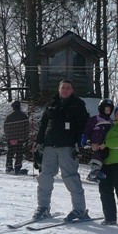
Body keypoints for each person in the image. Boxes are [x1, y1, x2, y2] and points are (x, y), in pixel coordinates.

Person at [32, 79, 90, 222]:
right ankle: (43, 207)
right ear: (59, 89)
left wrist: (79, 144)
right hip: (49, 146)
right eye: (63, 87)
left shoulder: (78, 104)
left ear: (72, 90)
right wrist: (39, 142)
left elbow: (83, 126)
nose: (65, 90)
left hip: (68, 147)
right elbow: (43, 124)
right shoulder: (52, 104)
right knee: (45, 177)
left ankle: (79, 209)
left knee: (70, 177)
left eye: (68, 88)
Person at [91, 102, 118, 227]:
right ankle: (110, 218)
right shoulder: (111, 126)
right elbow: (101, 138)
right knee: (105, 190)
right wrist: (95, 145)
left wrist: (106, 144)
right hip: (106, 163)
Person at [82, 98, 114, 180]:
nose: (107, 111)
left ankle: (95, 173)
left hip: (104, 145)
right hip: (94, 144)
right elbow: (87, 131)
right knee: (97, 155)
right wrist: (87, 142)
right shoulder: (95, 119)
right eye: (106, 109)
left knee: (103, 155)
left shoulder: (111, 122)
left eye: (109, 110)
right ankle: (94, 171)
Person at [3, 101, 30, 175]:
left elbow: (5, 128)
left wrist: (8, 137)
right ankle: (17, 168)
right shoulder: (24, 116)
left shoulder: (9, 117)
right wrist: (25, 137)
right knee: (19, 154)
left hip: (10, 138)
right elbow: (27, 128)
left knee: (10, 153)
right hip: (20, 138)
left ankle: (9, 167)